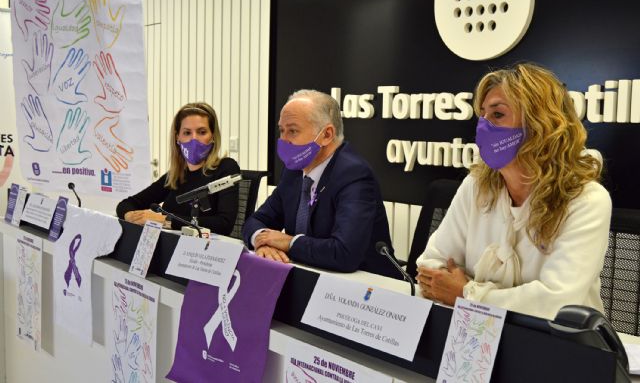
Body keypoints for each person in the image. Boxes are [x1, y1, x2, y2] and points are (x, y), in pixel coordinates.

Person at [416, 63, 611, 320]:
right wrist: (501, 301)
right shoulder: (477, 186)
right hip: (476, 339)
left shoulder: (586, 200)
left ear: (540, 124)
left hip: (561, 347)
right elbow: (430, 268)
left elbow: (555, 304)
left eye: (497, 115)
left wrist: (468, 293)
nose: (483, 127)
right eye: (482, 115)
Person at [242, 89, 401, 278]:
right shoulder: (293, 171)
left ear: (326, 135)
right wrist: (263, 240)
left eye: (292, 131)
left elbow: (344, 253)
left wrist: (288, 242)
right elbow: (256, 220)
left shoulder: (354, 174)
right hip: (309, 274)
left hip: (366, 291)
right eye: (281, 131)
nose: (283, 141)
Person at [117, 103, 240, 235]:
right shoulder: (175, 176)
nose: (194, 139)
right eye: (187, 133)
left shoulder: (226, 168)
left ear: (213, 136)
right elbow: (127, 204)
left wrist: (165, 220)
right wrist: (130, 216)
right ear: (177, 137)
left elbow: (224, 224)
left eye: (202, 132)